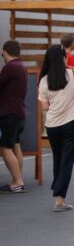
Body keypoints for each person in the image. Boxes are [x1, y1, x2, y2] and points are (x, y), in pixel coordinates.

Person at [38, 44, 74, 211]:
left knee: (58, 159)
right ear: (63, 59)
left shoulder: (44, 80)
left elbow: (45, 107)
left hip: (52, 126)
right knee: (67, 162)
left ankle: (58, 192)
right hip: (71, 125)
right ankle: (59, 198)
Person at [0, 41, 28, 193]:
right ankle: (16, 179)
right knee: (16, 145)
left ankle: (17, 181)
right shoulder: (21, 66)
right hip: (20, 113)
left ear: (5, 52)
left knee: (5, 147)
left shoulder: (10, 67)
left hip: (9, 114)